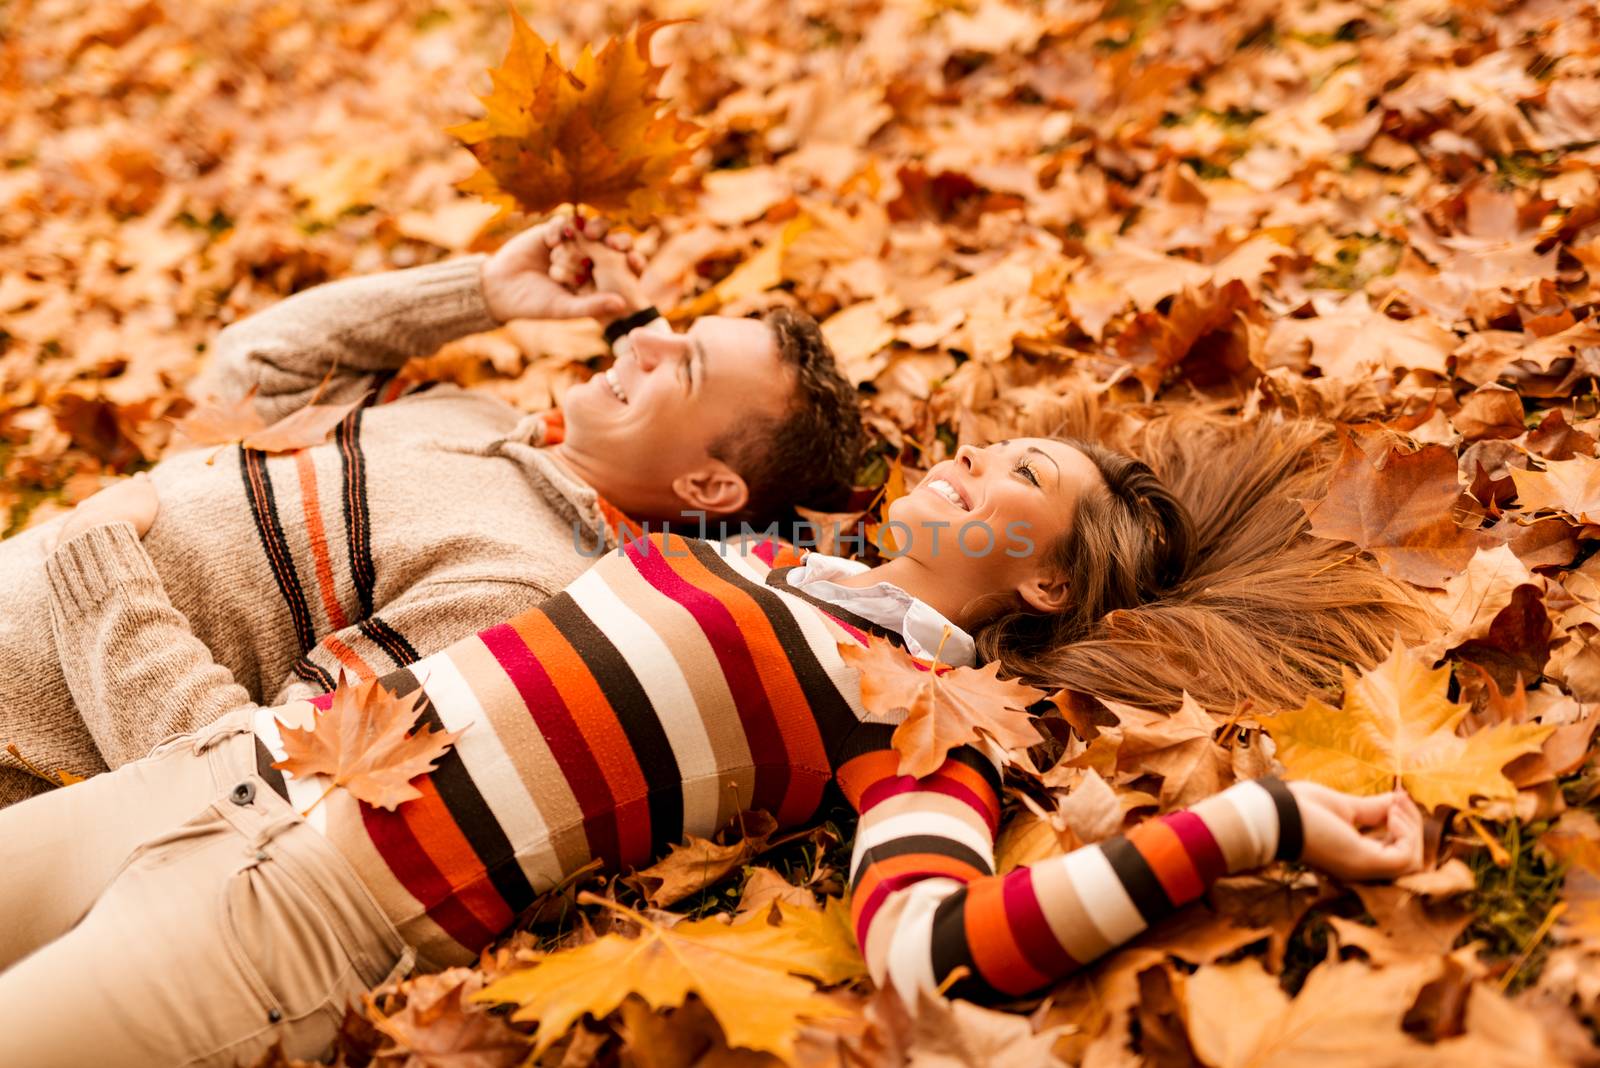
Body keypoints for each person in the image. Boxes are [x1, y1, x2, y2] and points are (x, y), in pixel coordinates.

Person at [0, 407, 1433, 1066]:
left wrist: (1255, 824)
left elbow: (930, 949)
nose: (978, 455)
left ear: (1044, 582)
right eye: (997, 442)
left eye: (1022, 475)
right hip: (223, 767)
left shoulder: (921, 715)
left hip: (284, 927)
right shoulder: (762, 558)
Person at [0, 217, 865, 805]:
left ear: (709, 491)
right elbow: (254, 366)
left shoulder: (526, 582)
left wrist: (97, 564)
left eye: (688, 366)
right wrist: (485, 290)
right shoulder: (478, 419)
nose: (643, 336)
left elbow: (257, 777)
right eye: (679, 325)